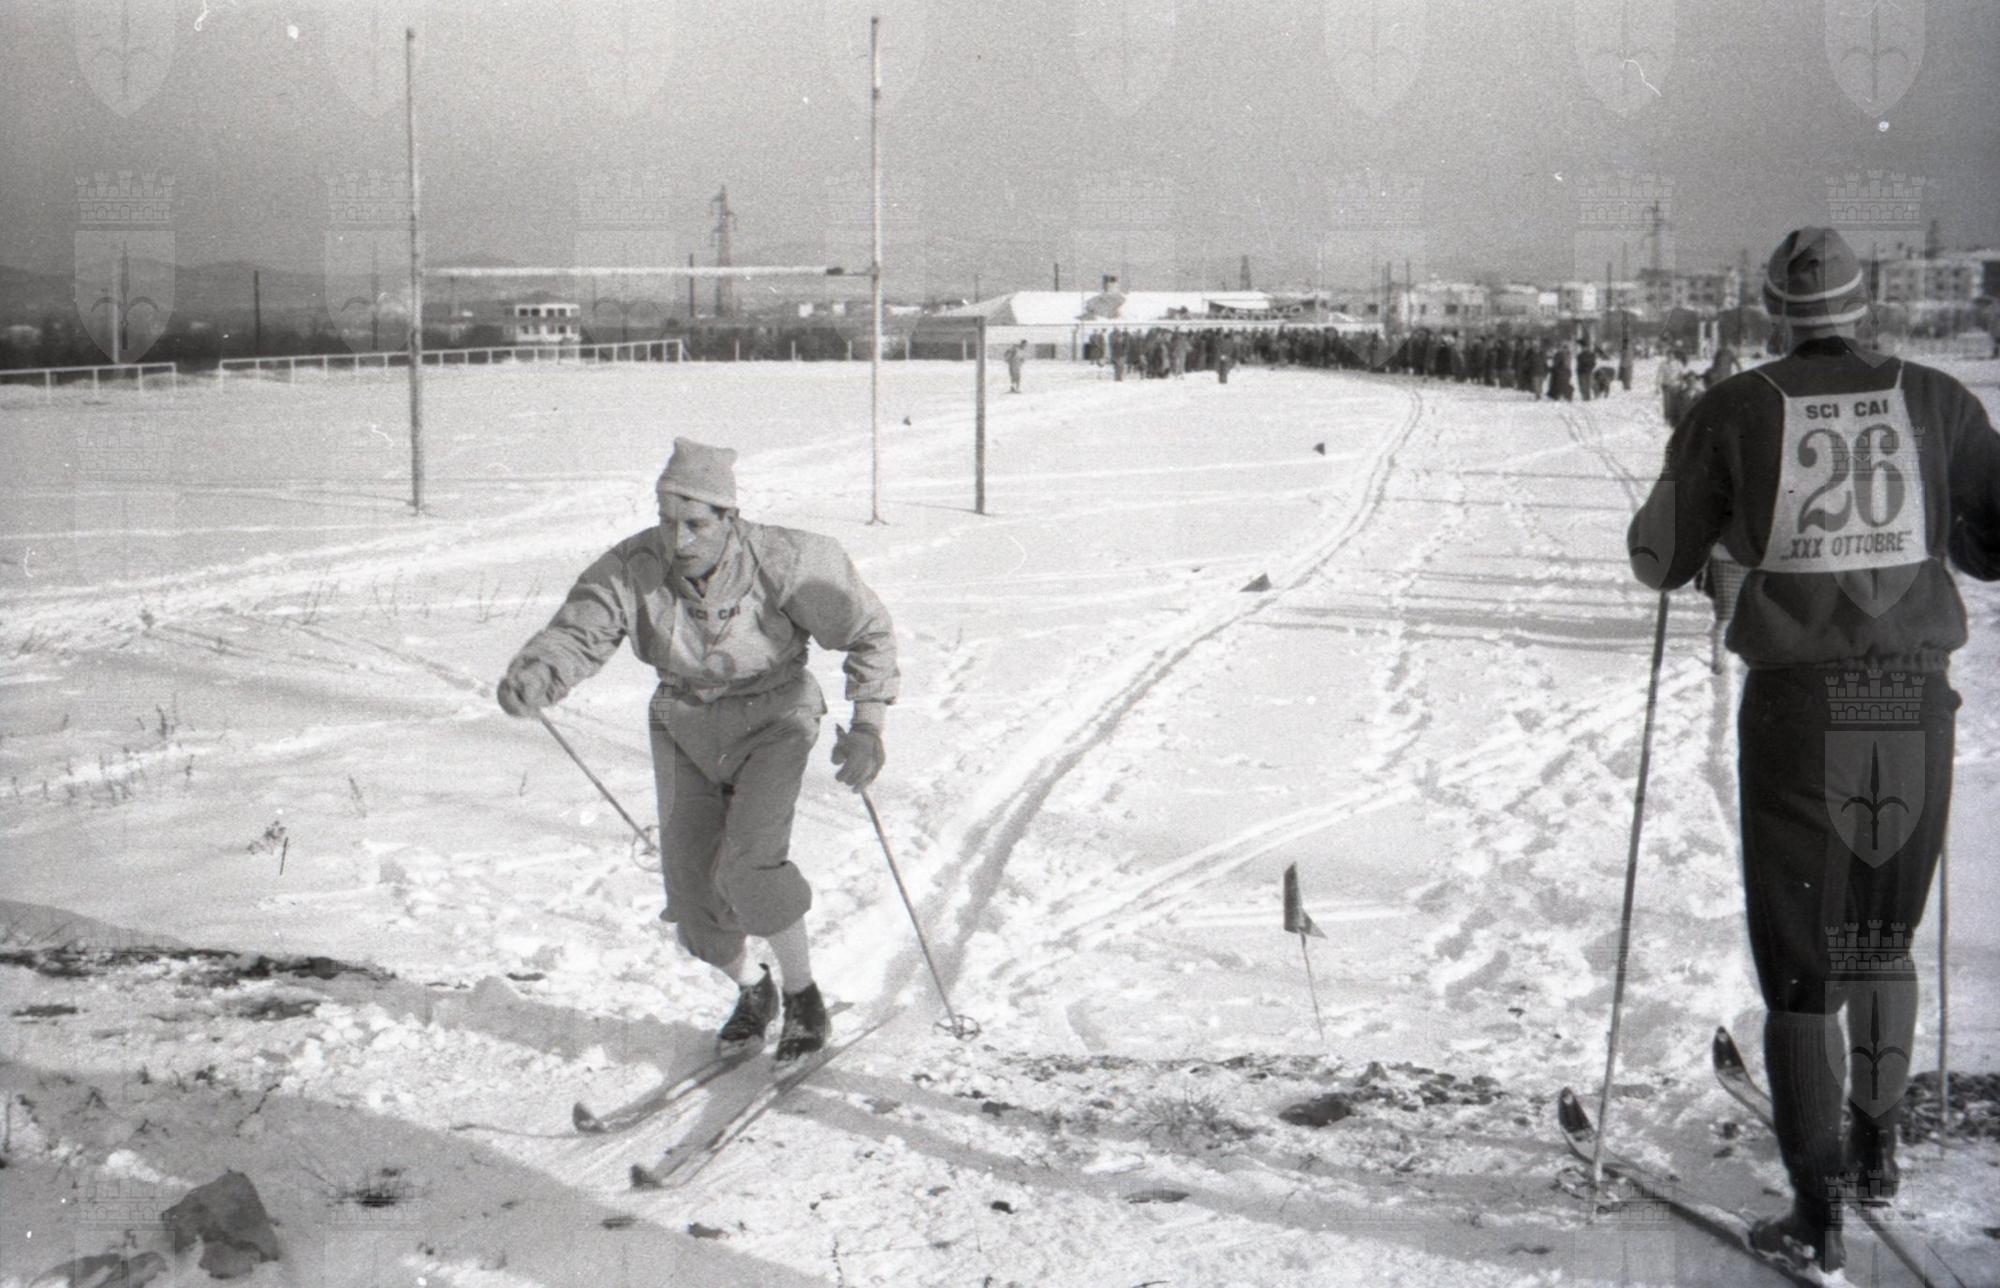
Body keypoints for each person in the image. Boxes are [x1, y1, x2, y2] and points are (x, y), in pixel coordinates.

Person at [1627, 227, 2000, 1277]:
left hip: (1799, 710)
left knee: (1803, 967)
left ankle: (1814, 1209)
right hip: (1912, 701)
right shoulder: (1937, 398)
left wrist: (1698, 488)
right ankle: (1875, 1147)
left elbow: (1658, 557)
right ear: (1863, 303)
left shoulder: (1735, 406)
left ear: (1770, 310)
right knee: (1879, 939)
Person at [495, 439, 900, 1062]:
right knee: (691, 896)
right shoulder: (633, 565)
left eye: (695, 524)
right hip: (683, 722)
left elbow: (867, 630)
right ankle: (754, 989)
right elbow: (581, 630)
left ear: (729, 517)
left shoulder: (788, 558)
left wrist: (868, 724)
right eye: (667, 521)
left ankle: (803, 995)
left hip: (776, 717)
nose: (678, 539)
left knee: (750, 867)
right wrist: (539, 674)